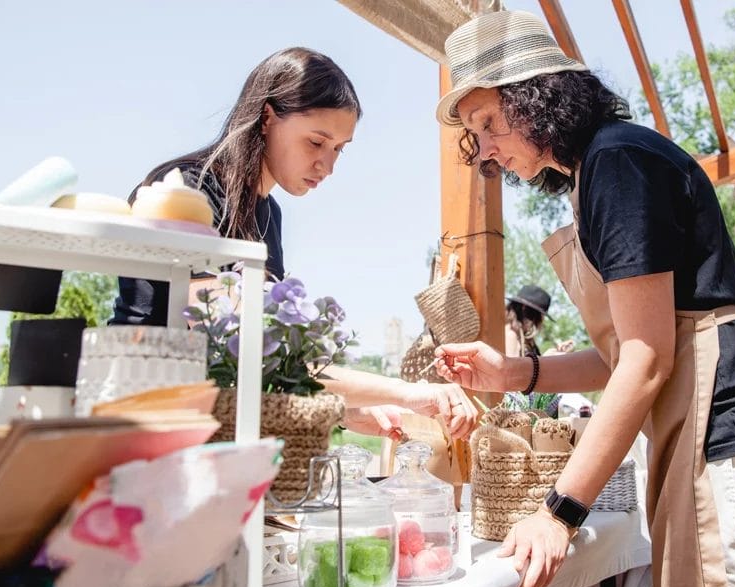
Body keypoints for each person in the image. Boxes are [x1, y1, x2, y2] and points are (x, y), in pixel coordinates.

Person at [431, 10, 735, 587]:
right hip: (715, 441)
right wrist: (512, 373)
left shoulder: (618, 164)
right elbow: (627, 352)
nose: (485, 151)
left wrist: (558, 513)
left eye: (488, 122)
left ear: (539, 98)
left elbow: (644, 360)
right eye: (473, 135)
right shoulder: (599, 171)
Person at [110, 47, 478, 441]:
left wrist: (347, 411)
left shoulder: (269, 215)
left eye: (339, 148)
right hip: (138, 417)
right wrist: (408, 393)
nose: (328, 165)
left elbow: (264, 364)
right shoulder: (185, 190)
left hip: (206, 428)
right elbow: (237, 337)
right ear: (267, 118)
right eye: (316, 142)